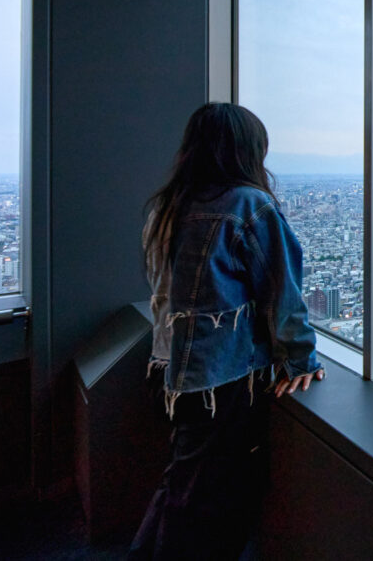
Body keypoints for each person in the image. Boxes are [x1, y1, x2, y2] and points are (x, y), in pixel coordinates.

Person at [130, 102, 324, 560]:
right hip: (221, 380)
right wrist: (299, 359)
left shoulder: (168, 207)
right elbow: (282, 290)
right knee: (210, 506)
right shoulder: (248, 205)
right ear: (246, 151)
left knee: (181, 487)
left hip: (168, 370)